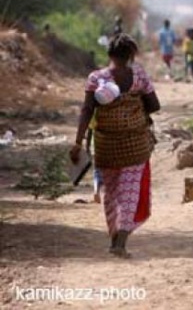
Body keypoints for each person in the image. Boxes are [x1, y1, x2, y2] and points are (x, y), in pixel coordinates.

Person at [69, 33, 160, 258]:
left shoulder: (95, 78)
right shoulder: (139, 75)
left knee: (110, 193)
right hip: (135, 145)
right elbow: (154, 105)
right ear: (131, 55)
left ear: (109, 54)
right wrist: (134, 104)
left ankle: (114, 239)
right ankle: (120, 243)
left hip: (106, 147)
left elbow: (86, 110)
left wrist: (78, 142)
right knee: (129, 193)